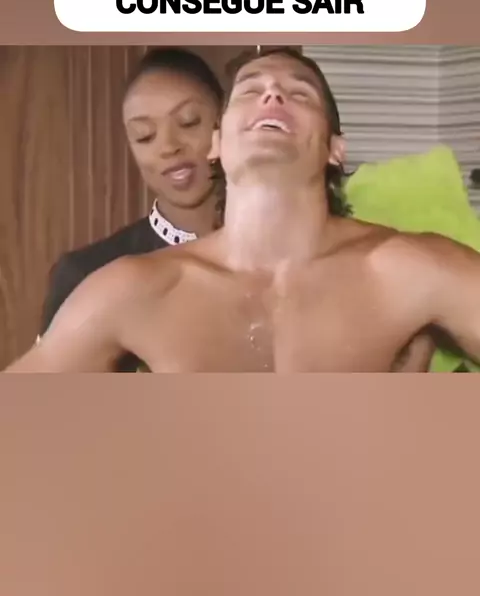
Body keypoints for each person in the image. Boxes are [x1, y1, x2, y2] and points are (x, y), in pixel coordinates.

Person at [8, 47, 480, 373]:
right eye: (250, 91)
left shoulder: (411, 270)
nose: (272, 95)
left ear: (335, 149)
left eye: (299, 93)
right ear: (216, 143)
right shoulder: (133, 289)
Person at [38, 47, 224, 371]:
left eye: (189, 122)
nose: (169, 146)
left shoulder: (280, 258)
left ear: (225, 122)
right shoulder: (87, 275)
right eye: (145, 136)